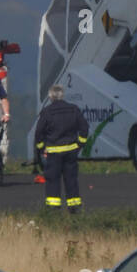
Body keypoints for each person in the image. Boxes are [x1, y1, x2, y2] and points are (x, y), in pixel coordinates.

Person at [33, 85, 89, 213]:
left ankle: (53, 208)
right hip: (71, 152)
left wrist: (41, 149)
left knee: (53, 180)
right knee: (71, 179)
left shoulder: (47, 112)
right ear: (62, 95)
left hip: (53, 152)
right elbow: (84, 128)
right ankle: (74, 206)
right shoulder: (73, 109)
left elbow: (39, 133)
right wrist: (80, 144)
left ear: (51, 96)